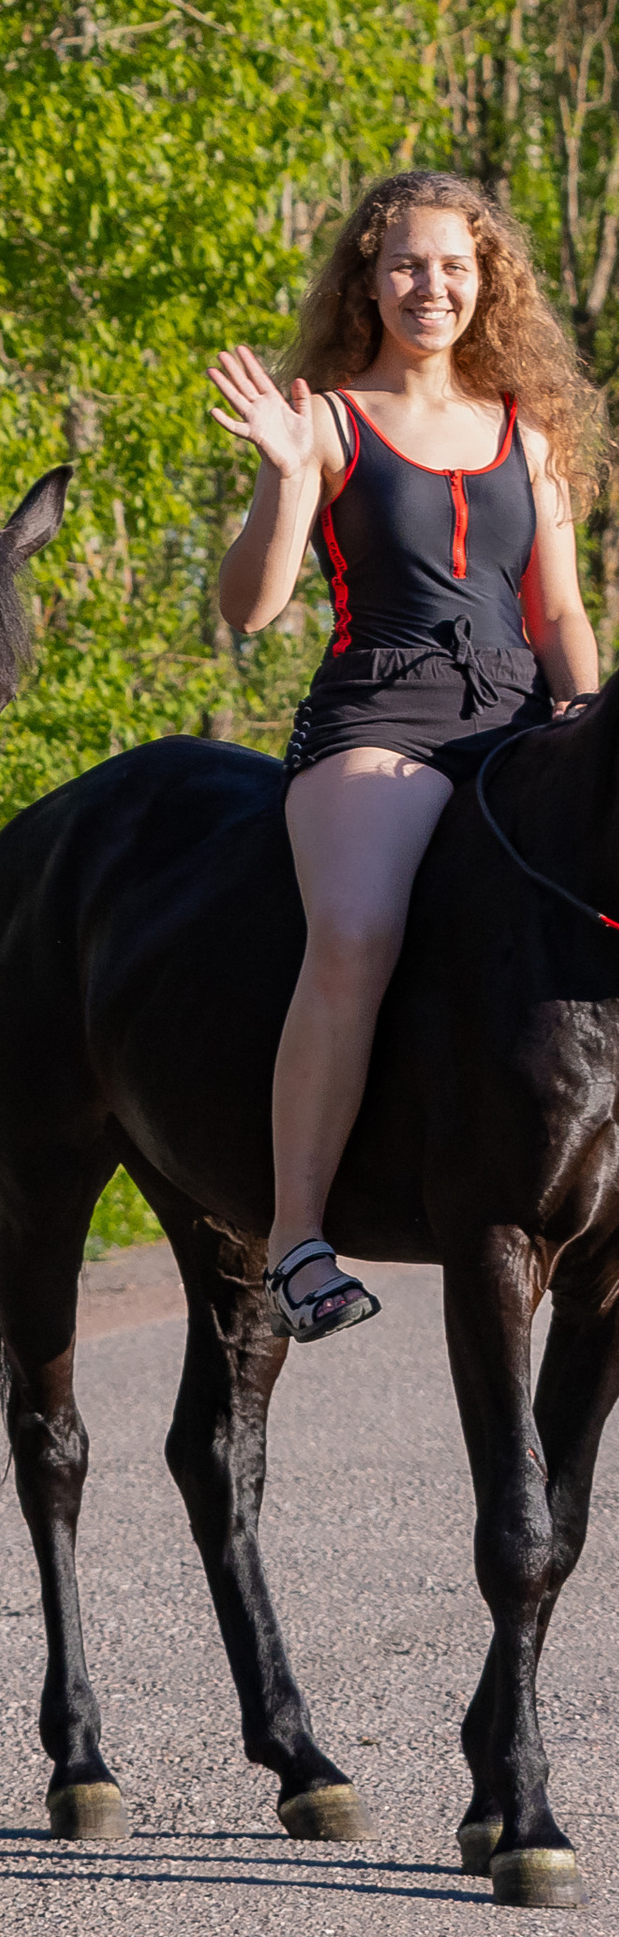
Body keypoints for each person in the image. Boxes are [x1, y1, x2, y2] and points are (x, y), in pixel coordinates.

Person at [208, 170, 603, 1338]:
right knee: (357, 931)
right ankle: (295, 1239)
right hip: (378, 718)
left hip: (519, 722)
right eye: (405, 266)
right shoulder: (326, 422)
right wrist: (283, 475)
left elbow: (559, 611)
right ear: (366, 283)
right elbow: (249, 607)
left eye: (453, 267)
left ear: (487, 284)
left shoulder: (530, 432)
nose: (431, 286)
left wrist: (582, 717)